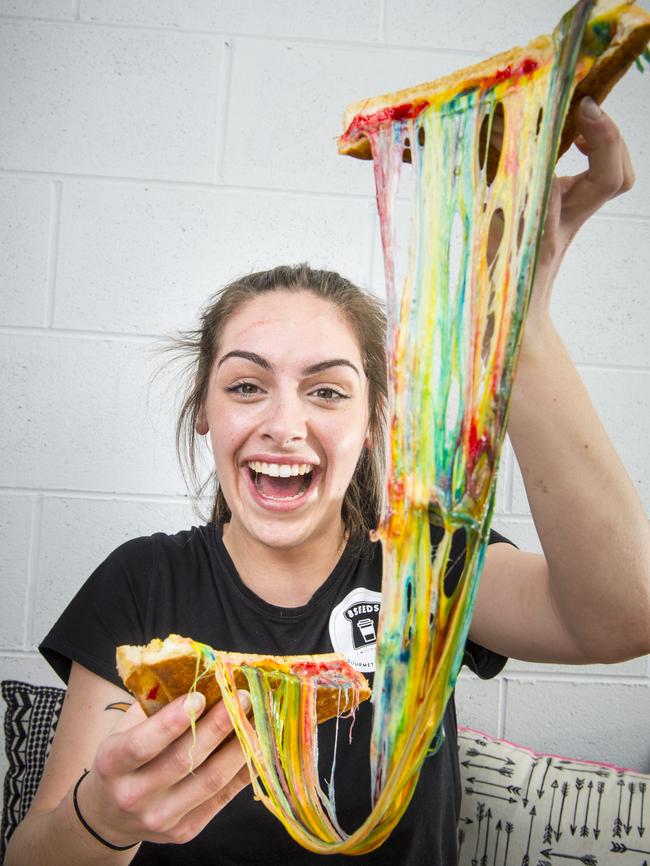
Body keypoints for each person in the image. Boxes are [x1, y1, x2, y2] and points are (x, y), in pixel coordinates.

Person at [5, 98, 649, 866]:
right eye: (246, 386)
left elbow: (621, 617)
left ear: (372, 422)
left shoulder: (426, 569)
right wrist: (105, 817)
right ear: (204, 412)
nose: (284, 424)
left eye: (327, 390)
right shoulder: (143, 583)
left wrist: (522, 318)